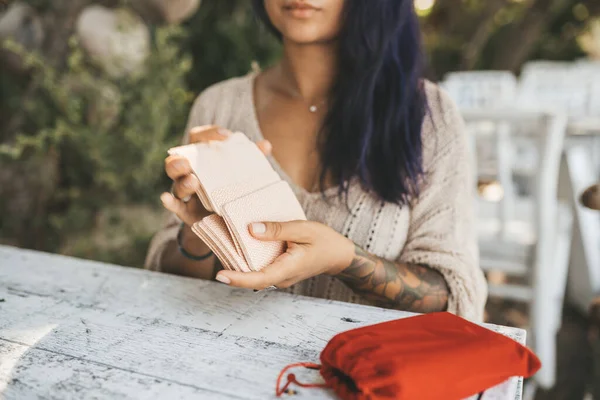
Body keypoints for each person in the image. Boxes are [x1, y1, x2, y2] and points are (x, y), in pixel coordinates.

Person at [145, 0, 487, 321]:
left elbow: (451, 295)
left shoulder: (429, 115)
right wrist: (200, 232)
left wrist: (345, 260)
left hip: (360, 378)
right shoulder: (218, 106)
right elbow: (169, 283)